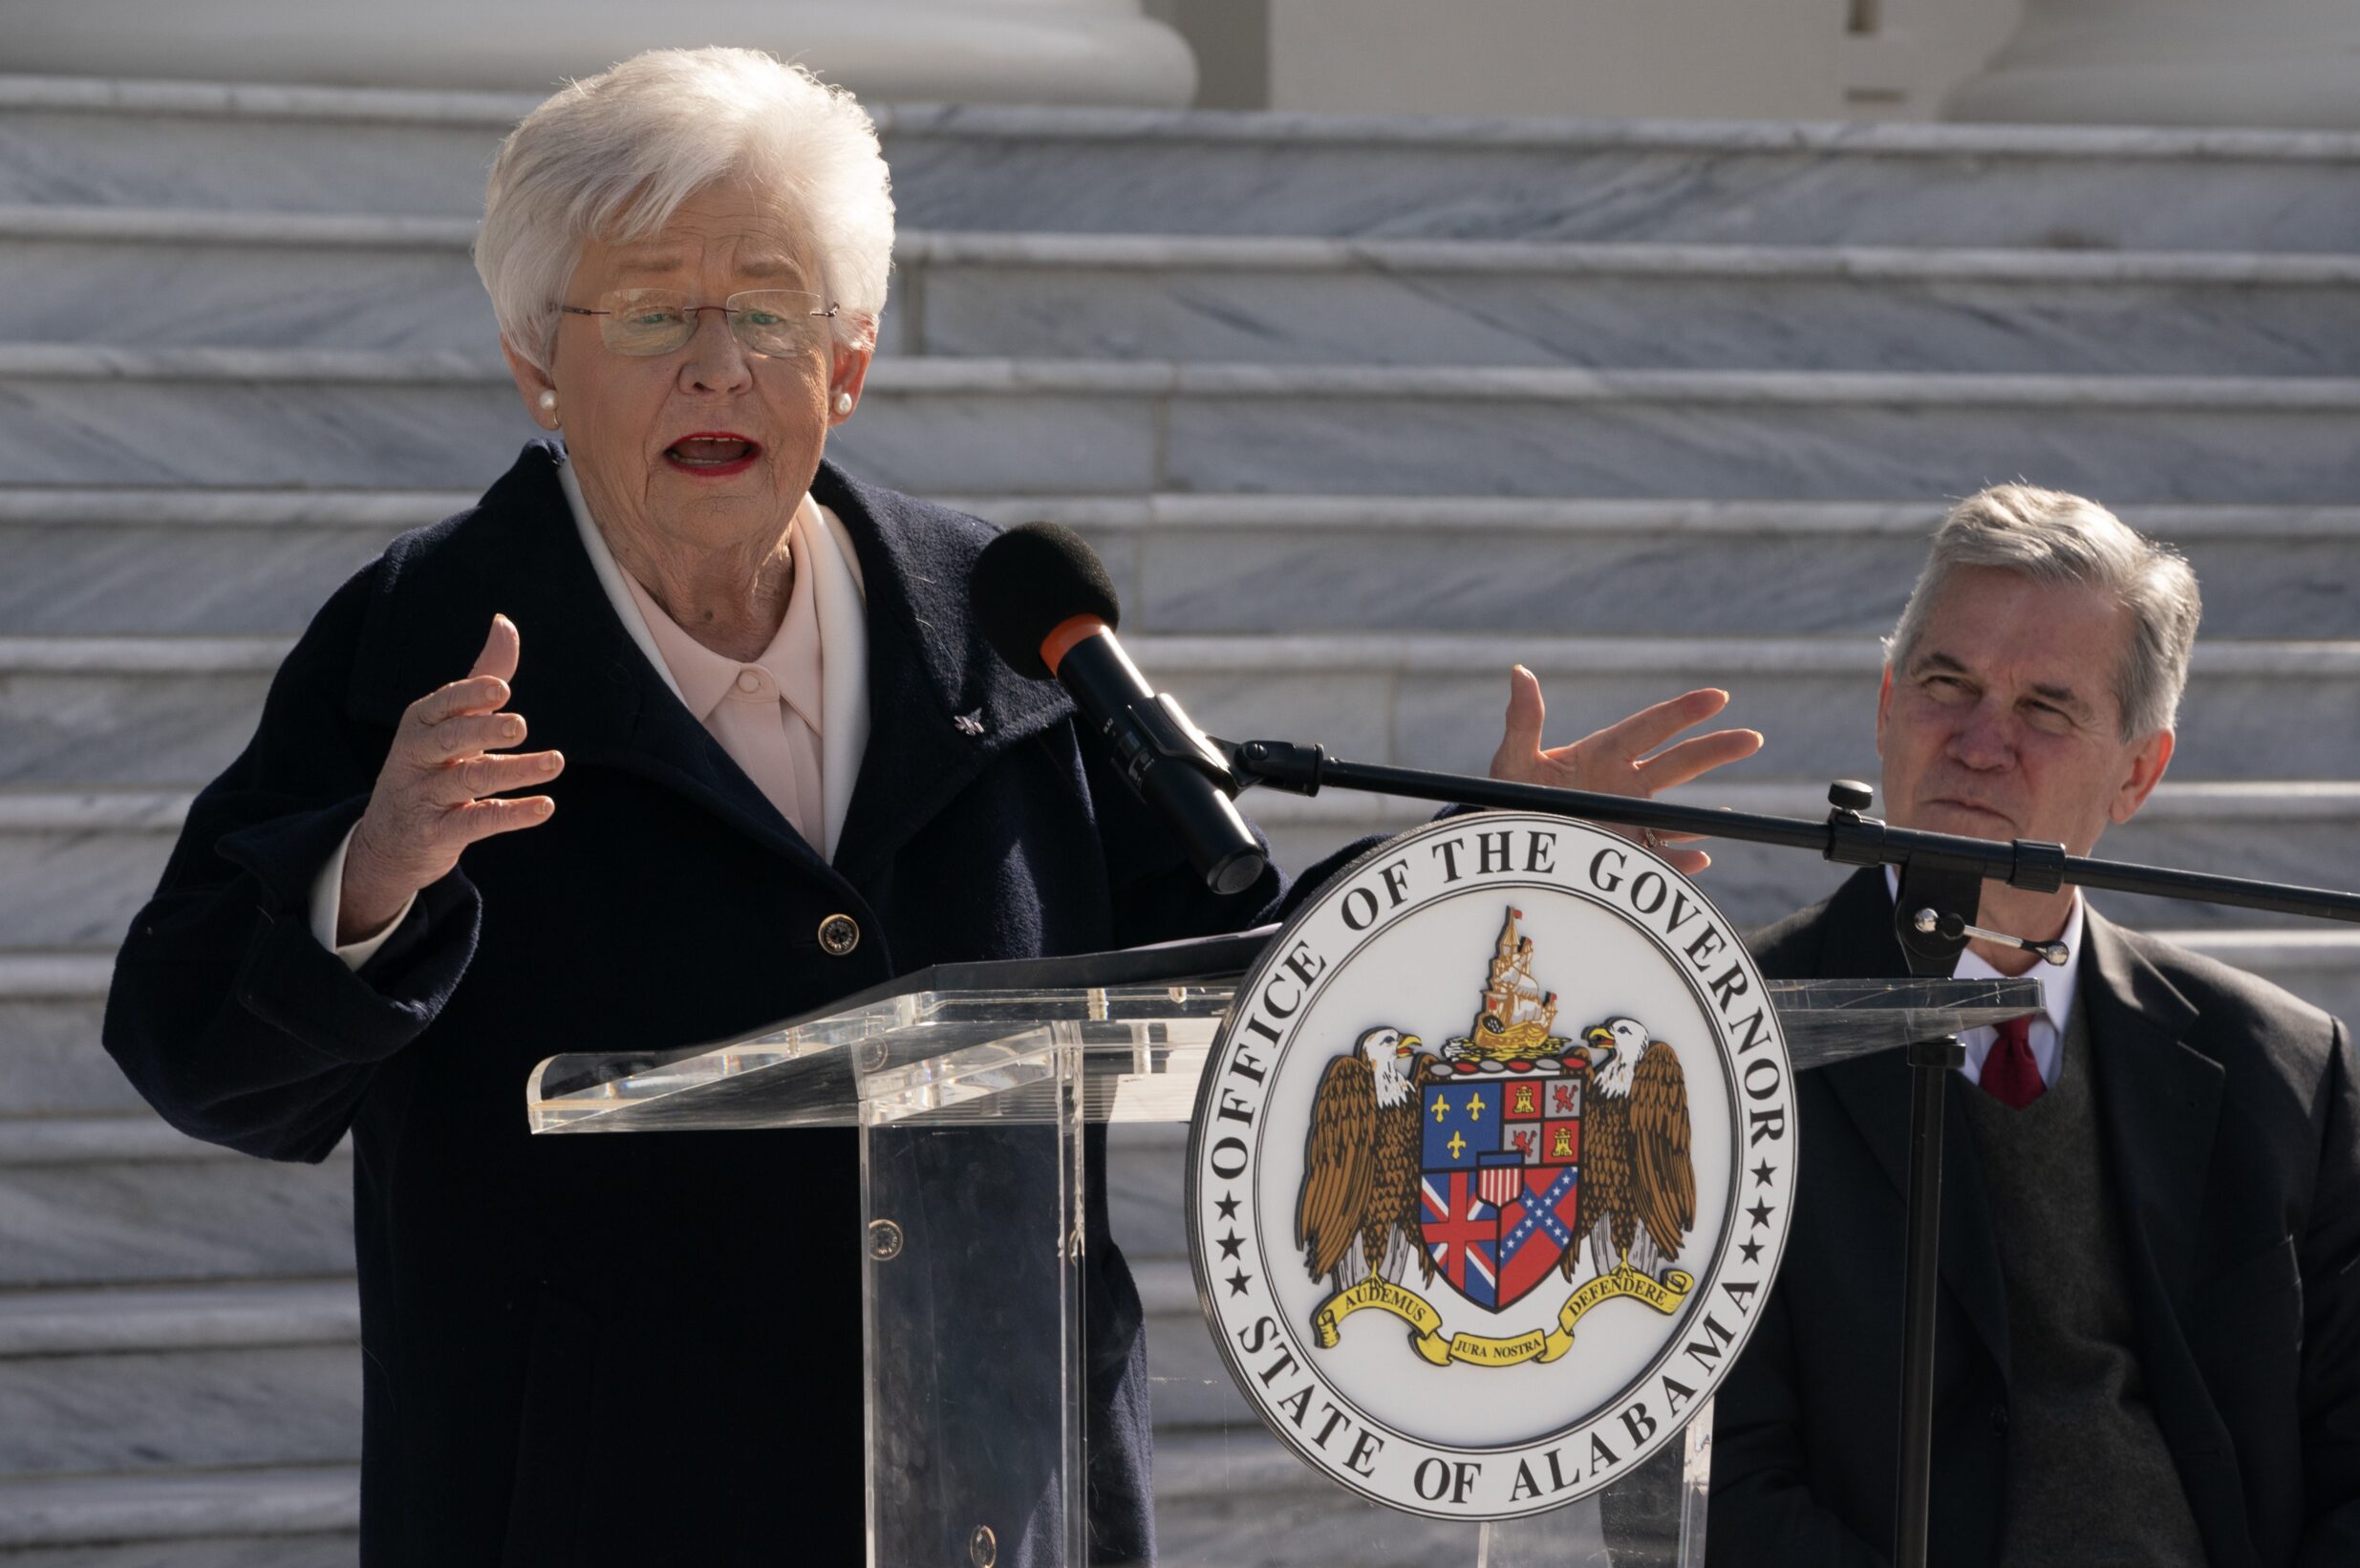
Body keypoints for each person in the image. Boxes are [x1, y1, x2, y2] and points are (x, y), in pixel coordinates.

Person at [99, 47, 1760, 1566]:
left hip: (996, 1508)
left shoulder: (998, 619)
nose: (717, 362)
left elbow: (1220, 964)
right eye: (654, 312)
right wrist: (372, 872)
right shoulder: (424, 640)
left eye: (765, 307)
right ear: (540, 366)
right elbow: (198, 1056)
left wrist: (1475, 884)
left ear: (850, 362)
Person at [1708, 484, 2360, 1564]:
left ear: (2138, 770)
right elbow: (1711, 1484)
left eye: (2045, 709)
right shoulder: (1727, 1033)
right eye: (1944, 684)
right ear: (1883, 704)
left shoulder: (2281, 1067)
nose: (1976, 742)